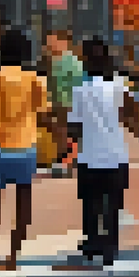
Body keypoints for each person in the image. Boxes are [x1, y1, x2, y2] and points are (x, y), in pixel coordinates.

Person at [0, 29, 48, 270]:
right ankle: (13, 255)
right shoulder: (36, 79)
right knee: (23, 203)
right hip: (25, 146)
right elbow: (42, 111)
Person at [70, 37, 136, 268]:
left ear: (86, 60)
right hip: (116, 153)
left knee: (91, 204)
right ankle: (110, 248)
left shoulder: (80, 89)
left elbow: (75, 125)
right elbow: (130, 115)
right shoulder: (120, 85)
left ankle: (92, 245)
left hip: (89, 154)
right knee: (113, 205)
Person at [45, 30, 84, 174]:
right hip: (65, 104)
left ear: (63, 42)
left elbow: (64, 87)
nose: (49, 45)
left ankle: (65, 161)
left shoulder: (68, 62)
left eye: (52, 42)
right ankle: (67, 160)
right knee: (66, 133)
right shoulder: (61, 61)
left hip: (67, 104)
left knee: (66, 132)